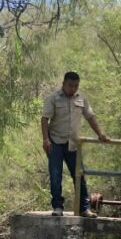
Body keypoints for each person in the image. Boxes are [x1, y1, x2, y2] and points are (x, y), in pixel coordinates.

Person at [41, 72, 110, 217]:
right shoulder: (54, 98)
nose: (73, 88)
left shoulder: (82, 99)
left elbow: (90, 116)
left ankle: (83, 208)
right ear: (64, 84)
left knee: (79, 175)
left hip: (73, 143)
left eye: (76, 86)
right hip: (55, 142)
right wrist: (45, 139)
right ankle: (58, 207)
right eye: (70, 85)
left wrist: (100, 134)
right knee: (55, 175)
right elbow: (45, 119)